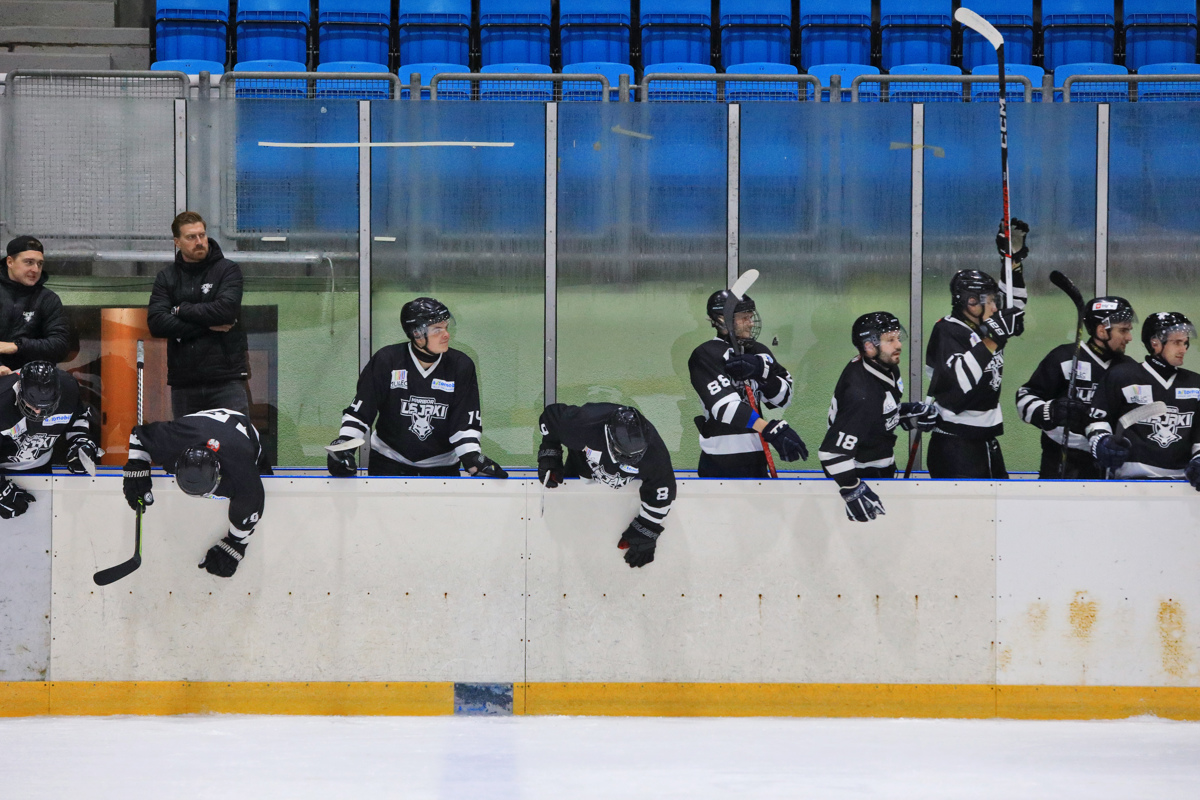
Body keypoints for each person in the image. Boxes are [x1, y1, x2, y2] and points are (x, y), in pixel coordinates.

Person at [327, 297, 507, 478]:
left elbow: (464, 422)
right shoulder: (387, 360)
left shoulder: (461, 365)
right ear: (417, 334)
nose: (446, 335)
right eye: (437, 330)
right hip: (388, 462)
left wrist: (472, 457)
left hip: (442, 467)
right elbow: (361, 411)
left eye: (446, 327)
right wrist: (344, 444)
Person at [924, 220, 1029, 479]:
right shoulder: (947, 329)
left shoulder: (983, 324)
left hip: (985, 438)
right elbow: (959, 380)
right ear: (971, 302)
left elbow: (1014, 311)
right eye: (990, 301)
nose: (995, 308)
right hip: (954, 443)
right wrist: (993, 338)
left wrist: (1013, 262)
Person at [819, 312, 937, 522]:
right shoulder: (861, 394)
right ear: (869, 346)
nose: (899, 345)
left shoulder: (884, 366)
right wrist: (852, 489)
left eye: (898, 337)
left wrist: (907, 414)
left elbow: (876, 414)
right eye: (890, 340)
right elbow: (831, 453)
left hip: (880, 464)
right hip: (862, 473)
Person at [121, 408, 265, 577]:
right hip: (195, 428)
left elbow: (252, 504)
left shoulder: (241, 469)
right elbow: (138, 435)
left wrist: (236, 544)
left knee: (263, 479)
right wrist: (137, 472)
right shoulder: (171, 440)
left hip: (240, 430)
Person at [537, 403, 675, 568]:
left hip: (619, 493)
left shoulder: (654, 450)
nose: (629, 461)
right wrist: (550, 451)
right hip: (580, 470)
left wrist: (646, 530)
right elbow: (550, 417)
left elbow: (662, 488)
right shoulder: (584, 423)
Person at [687, 289, 807, 477]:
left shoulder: (758, 351)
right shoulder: (706, 354)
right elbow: (725, 408)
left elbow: (784, 398)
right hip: (719, 462)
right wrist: (767, 429)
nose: (751, 323)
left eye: (751, 317)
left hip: (757, 458)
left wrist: (762, 373)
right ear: (722, 319)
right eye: (744, 318)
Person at [1016, 296, 1137, 478]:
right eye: (1123, 330)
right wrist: (1050, 411)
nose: (1129, 337)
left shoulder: (1129, 369)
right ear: (1102, 330)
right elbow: (1024, 398)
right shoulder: (1064, 358)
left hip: (1110, 466)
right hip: (1061, 463)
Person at [147, 212, 250, 418]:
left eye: (202, 235)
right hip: (185, 383)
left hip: (226, 380)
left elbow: (225, 312)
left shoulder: (227, 270)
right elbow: (157, 323)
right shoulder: (167, 277)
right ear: (177, 242)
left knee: (233, 437)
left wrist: (181, 310)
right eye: (191, 237)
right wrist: (207, 325)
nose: (199, 242)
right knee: (188, 439)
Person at [1086, 312, 1200, 482]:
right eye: (1177, 342)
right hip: (1129, 483)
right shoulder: (1122, 376)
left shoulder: (1195, 383)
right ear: (1155, 342)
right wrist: (1102, 442)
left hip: (1181, 484)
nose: (1183, 349)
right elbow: (1097, 419)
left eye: (1185, 343)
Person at [0, 361, 98, 519]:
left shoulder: (68, 387)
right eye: (32, 405)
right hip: (5, 470)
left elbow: (77, 417)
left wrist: (81, 442)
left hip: (42, 467)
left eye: (46, 406)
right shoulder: (2, 397)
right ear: (19, 388)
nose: (38, 412)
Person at [1, 235, 70, 375]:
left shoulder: (47, 299)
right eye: (29, 262)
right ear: (10, 262)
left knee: (68, 382)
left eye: (40, 264)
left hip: (34, 379)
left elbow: (60, 345)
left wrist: (17, 346)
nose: (35, 269)